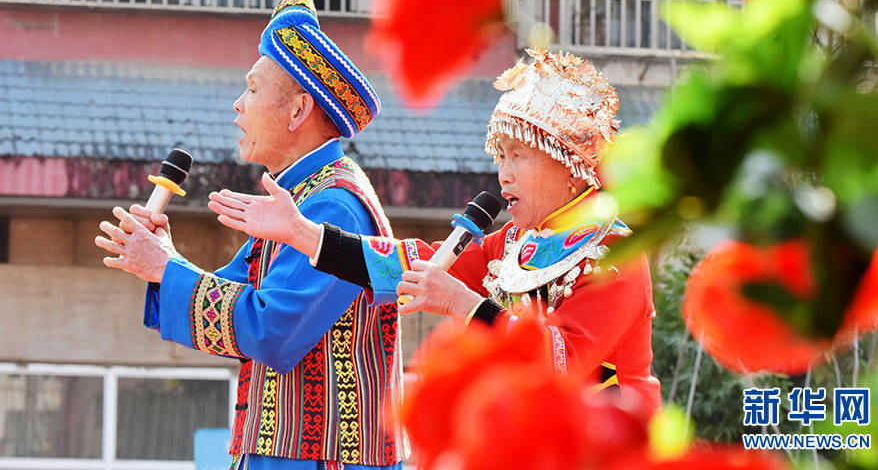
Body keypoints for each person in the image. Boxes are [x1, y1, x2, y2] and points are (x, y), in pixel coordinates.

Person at [209, 48, 664, 419]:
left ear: (568, 166)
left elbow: (566, 363)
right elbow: (417, 264)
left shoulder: (615, 252)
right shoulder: (512, 244)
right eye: (499, 157)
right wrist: (306, 235)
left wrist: (463, 304)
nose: (502, 175)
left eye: (518, 157)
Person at [95, 0, 406, 470]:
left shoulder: (334, 204)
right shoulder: (303, 197)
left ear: (298, 111)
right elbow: (235, 300)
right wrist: (163, 263)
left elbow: (270, 329)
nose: (238, 105)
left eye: (253, 89)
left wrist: (167, 268)